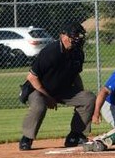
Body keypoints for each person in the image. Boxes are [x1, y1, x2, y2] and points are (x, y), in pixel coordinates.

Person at [19, 22, 95, 151]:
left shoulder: (78, 53)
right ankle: (27, 138)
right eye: (74, 35)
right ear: (63, 36)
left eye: (79, 35)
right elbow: (32, 77)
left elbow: (75, 75)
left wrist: (80, 94)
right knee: (39, 105)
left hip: (62, 89)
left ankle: (75, 136)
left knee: (88, 98)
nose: (78, 38)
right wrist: (48, 97)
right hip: (38, 89)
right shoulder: (50, 52)